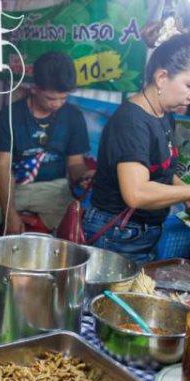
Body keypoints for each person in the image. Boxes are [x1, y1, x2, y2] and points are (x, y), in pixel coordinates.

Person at [84, 33, 190, 263]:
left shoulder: (164, 114)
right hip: (117, 235)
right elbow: (136, 193)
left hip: (143, 232)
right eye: (188, 85)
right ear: (162, 77)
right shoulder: (131, 121)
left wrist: (186, 194)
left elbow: (162, 173)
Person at [0, 52, 93, 233]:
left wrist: (84, 176)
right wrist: (9, 214)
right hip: (13, 187)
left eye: (64, 98)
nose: (58, 104)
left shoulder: (73, 116)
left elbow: (75, 163)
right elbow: (3, 167)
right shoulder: (10, 114)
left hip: (54, 190)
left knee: (74, 229)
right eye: (51, 98)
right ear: (34, 88)